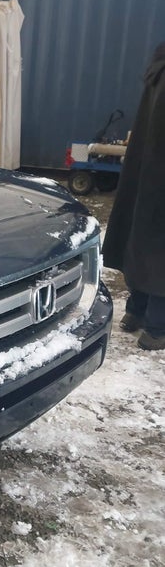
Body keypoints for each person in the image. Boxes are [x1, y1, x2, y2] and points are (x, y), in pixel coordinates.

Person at [102, 42, 165, 350]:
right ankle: (157, 328)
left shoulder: (157, 72)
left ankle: (135, 312)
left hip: (146, 176)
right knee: (159, 250)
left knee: (143, 243)